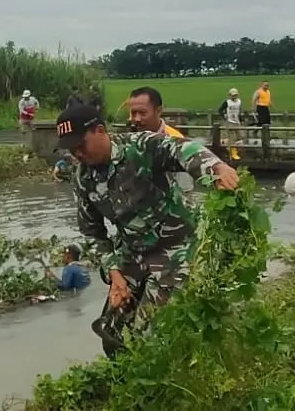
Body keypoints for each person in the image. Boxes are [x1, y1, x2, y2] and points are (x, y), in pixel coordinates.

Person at [55, 104, 239, 358]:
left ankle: (167, 380)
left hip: (174, 249)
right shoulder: (83, 178)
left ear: (100, 130)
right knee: (111, 330)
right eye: (70, 149)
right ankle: (122, 381)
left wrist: (216, 168)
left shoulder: (140, 147)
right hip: (132, 252)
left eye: (80, 145)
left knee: (148, 332)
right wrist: (115, 272)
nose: (77, 154)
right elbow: (92, 231)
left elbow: (182, 148)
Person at [127, 86, 192, 195]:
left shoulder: (175, 140)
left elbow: (185, 191)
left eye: (143, 113)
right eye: (133, 113)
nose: (137, 119)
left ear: (158, 111)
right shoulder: (129, 139)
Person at [217, 87, 243, 161]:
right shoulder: (227, 102)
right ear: (230, 95)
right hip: (230, 121)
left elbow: (240, 111)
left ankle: (228, 146)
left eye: (235, 95)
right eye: (233, 95)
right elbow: (220, 110)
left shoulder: (239, 102)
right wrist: (224, 116)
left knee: (240, 137)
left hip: (237, 121)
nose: (234, 96)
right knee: (232, 138)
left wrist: (241, 119)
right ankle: (233, 153)